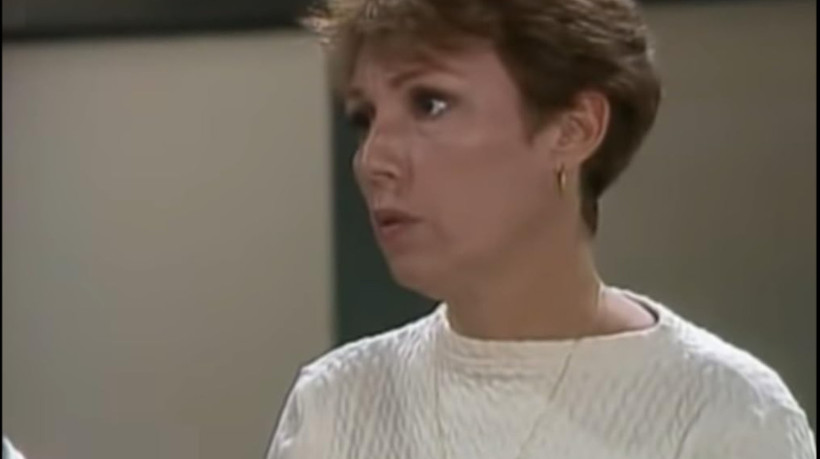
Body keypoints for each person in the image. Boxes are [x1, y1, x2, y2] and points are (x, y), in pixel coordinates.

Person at [267, 0, 815, 457]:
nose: (373, 159)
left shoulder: (726, 417)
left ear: (574, 130)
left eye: (430, 104)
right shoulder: (334, 405)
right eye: (365, 118)